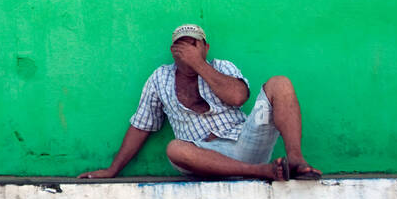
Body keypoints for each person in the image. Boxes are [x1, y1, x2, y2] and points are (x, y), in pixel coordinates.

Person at [79, 24, 321, 181]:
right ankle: (260, 172)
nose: (188, 48)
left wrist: (197, 64)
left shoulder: (221, 66)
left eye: (194, 43)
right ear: (173, 50)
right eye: (182, 44)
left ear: (206, 47)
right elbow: (141, 125)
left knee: (280, 83)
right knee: (174, 149)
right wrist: (113, 170)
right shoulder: (159, 78)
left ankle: (296, 160)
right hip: (207, 156)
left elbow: (238, 97)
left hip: (246, 140)